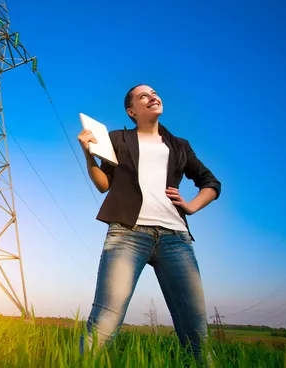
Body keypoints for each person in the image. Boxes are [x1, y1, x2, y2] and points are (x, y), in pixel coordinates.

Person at [77, 84, 221, 362]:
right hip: (127, 235)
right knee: (106, 319)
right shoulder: (117, 138)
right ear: (132, 111)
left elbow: (211, 183)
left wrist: (191, 206)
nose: (153, 96)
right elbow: (104, 185)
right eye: (143, 95)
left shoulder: (180, 145)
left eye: (154, 93)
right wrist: (88, 154)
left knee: (196, 330)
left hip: (176, 239)